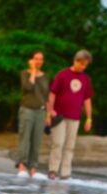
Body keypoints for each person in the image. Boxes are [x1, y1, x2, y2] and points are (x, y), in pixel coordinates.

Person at [47, 49, 93, 180]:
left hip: (75, 117)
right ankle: (53, 170)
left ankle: (66, 173)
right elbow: (52, 93)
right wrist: (50, 112)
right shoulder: (62, 75)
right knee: (58, 143)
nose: (84, 67)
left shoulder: (85, 79)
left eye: (86, 65)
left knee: (70, 146)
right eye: (83, 64)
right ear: (76, 61)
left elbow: (87, 99)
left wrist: (89, 118)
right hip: (59, 116)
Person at [17, 50, 49, 177]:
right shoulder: (25, 73)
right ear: (31, 60)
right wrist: (33, 71)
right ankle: (21, 166)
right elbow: (28, 87)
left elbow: (45, 96)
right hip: (27, 109)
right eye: (36, 59)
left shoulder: (45, 76)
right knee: (25, 139)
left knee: (37, 140)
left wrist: (49, 114)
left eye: (41, 59)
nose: (38, 61)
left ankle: (33, 168)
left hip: (41, 111)